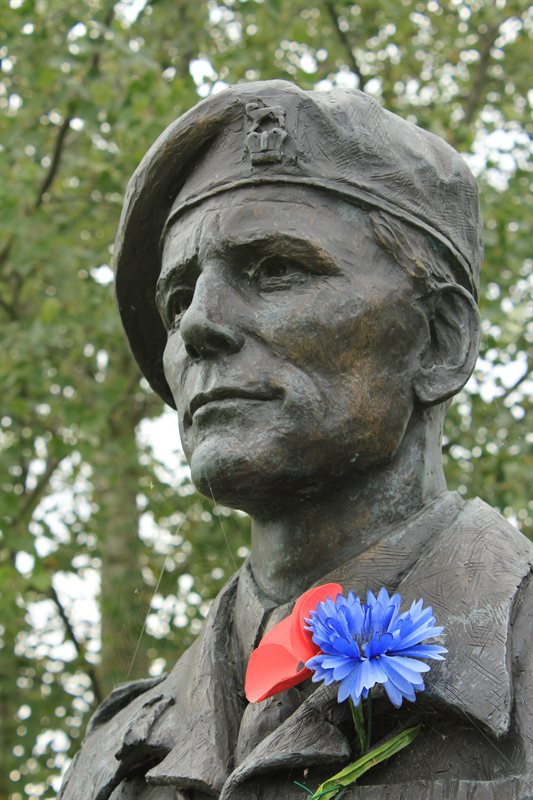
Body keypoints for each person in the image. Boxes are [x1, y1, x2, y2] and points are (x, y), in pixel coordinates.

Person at [59, 81, 532, 800]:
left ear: (440, 340)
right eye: (177, 299)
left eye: (277, 269)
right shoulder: (113, 756)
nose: (196, 326)